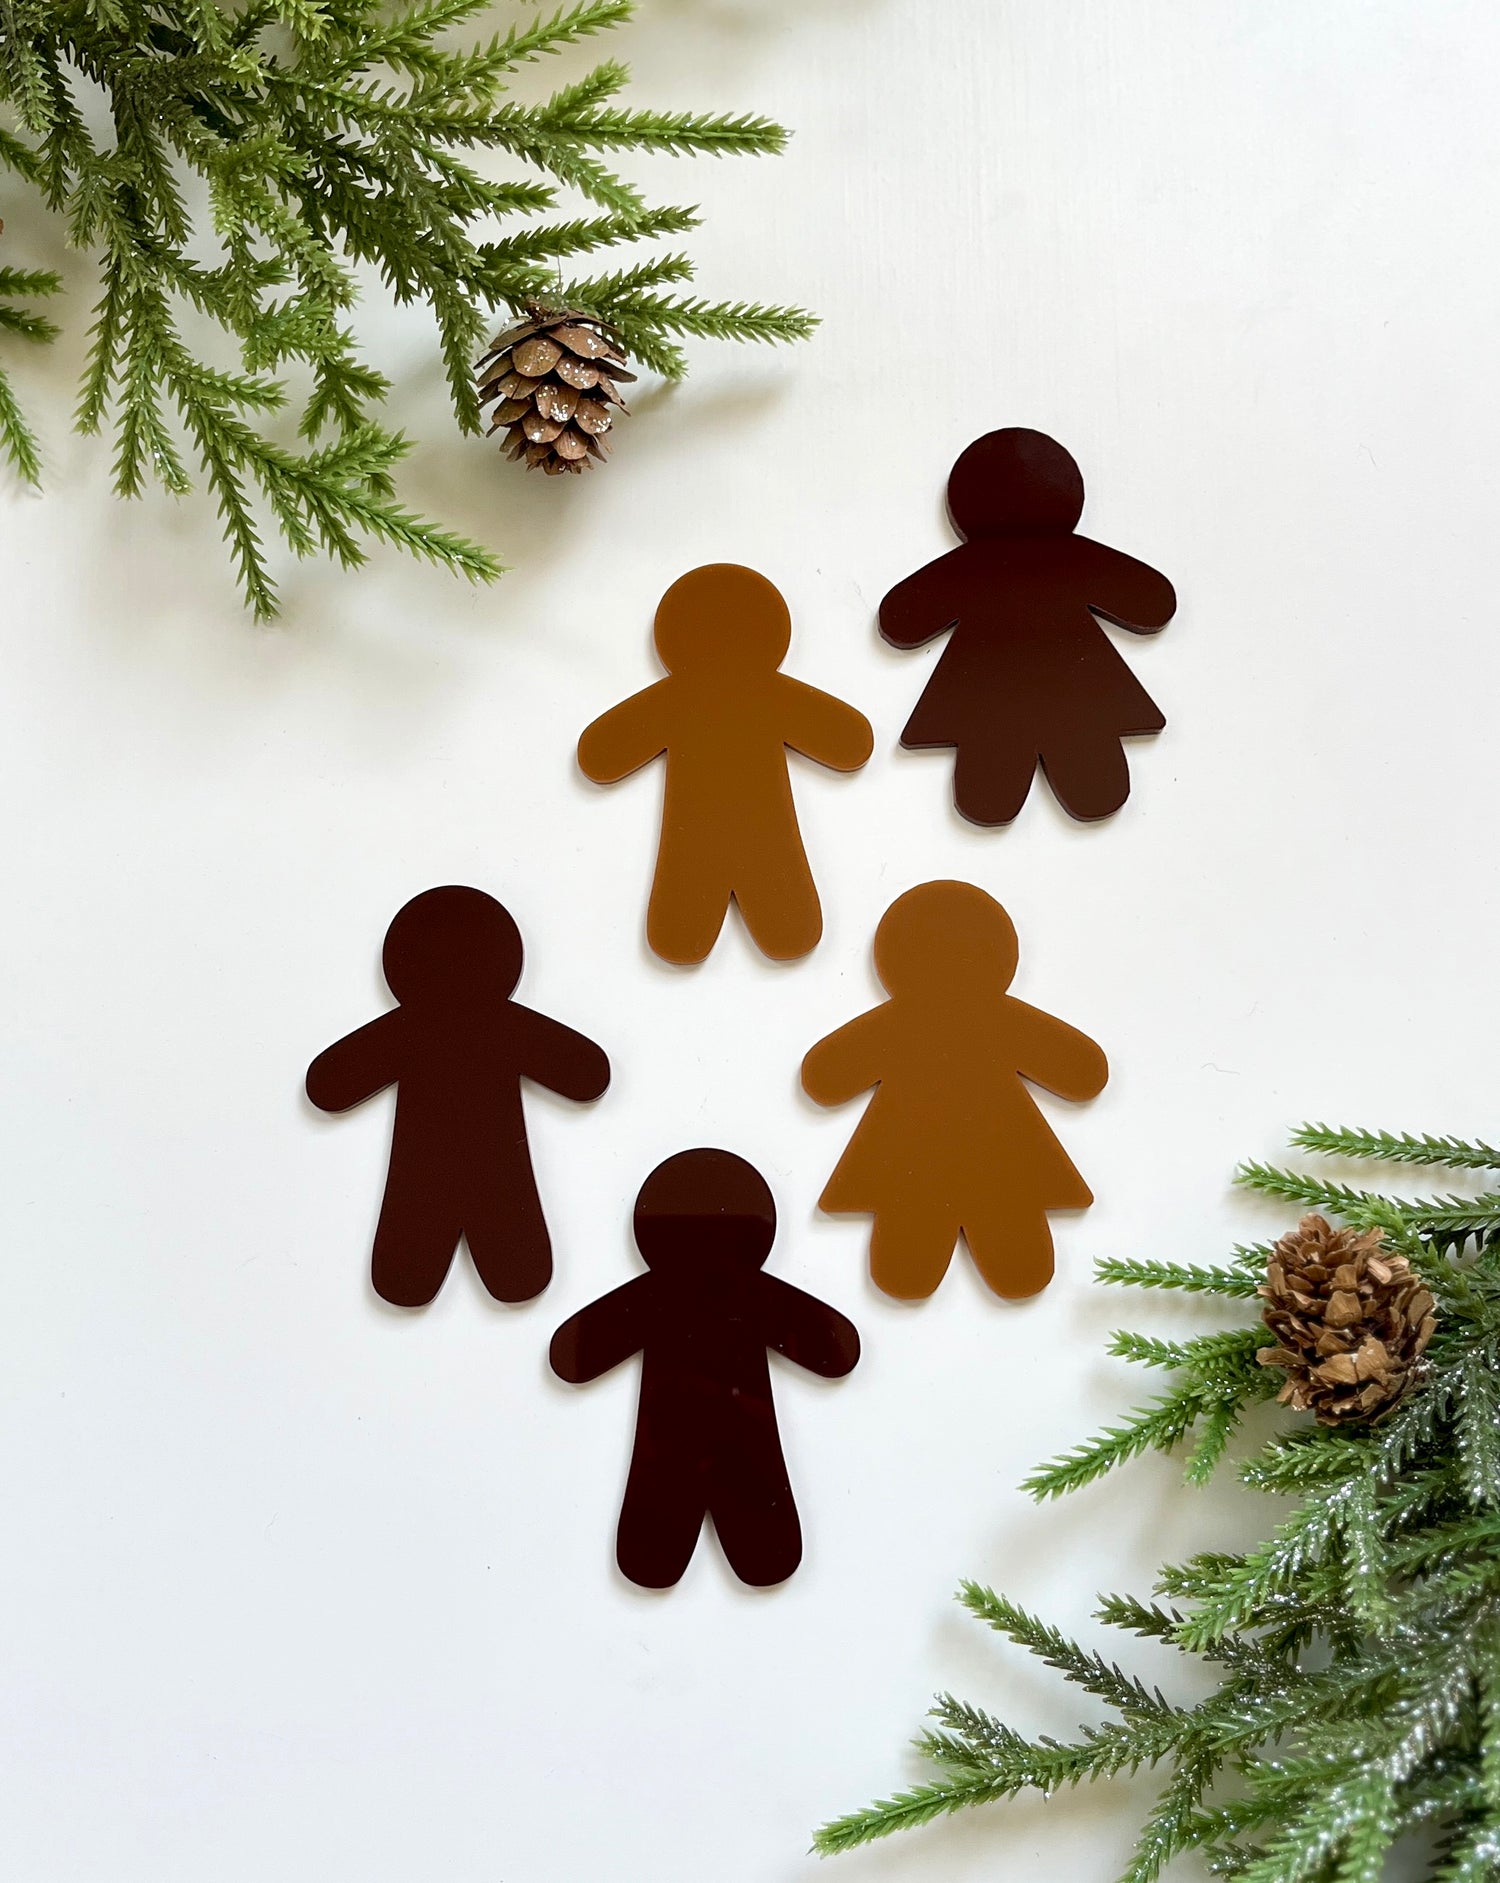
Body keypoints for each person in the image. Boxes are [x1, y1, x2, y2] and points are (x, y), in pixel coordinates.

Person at [550, 1149, 860, 1588]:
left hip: (674, 1431)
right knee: (749, 1512)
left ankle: (680, 1556)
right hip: (732, 1429)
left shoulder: (662, 1294)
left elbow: (571, 1354)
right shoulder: (750, 1293)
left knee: (666, 1510)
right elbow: (836, 1349)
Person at [801, 880, 1107, 1299]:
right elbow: (1083, 1072)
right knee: (987, 1224)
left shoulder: (903, 1023)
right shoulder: (993, 1020)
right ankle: (988, 1264)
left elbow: (825, 1076)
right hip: (990, 1154)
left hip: (924, 1155)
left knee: (930, 1231)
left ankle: (943, 1266)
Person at [306, 886, 610, 1307]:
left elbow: (328, 1083)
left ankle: (427, 1272)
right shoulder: (500, 1024)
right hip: (491, 1164)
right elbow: (587, 1073)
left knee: (422, 1252)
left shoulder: (412, 1028)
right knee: (507, 1254)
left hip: (429, 1167)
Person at [577, 564, 873, 964]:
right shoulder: (765, 693)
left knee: (699, 909)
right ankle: (730, 930)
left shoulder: (680, 697)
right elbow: (850, 740)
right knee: (773, 908)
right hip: (750, 827)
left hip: (706, 829)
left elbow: (600, 752)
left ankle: (696, 933)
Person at [881, 428, 1176, 824]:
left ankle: (1005, 792)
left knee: (993, 774)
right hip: (1075, 687)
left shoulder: (975, 565)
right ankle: (1071, 787)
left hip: (990, 690)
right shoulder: (1069, 558)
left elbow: (902, 617)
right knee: (1084, 768)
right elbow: (1152, 601)